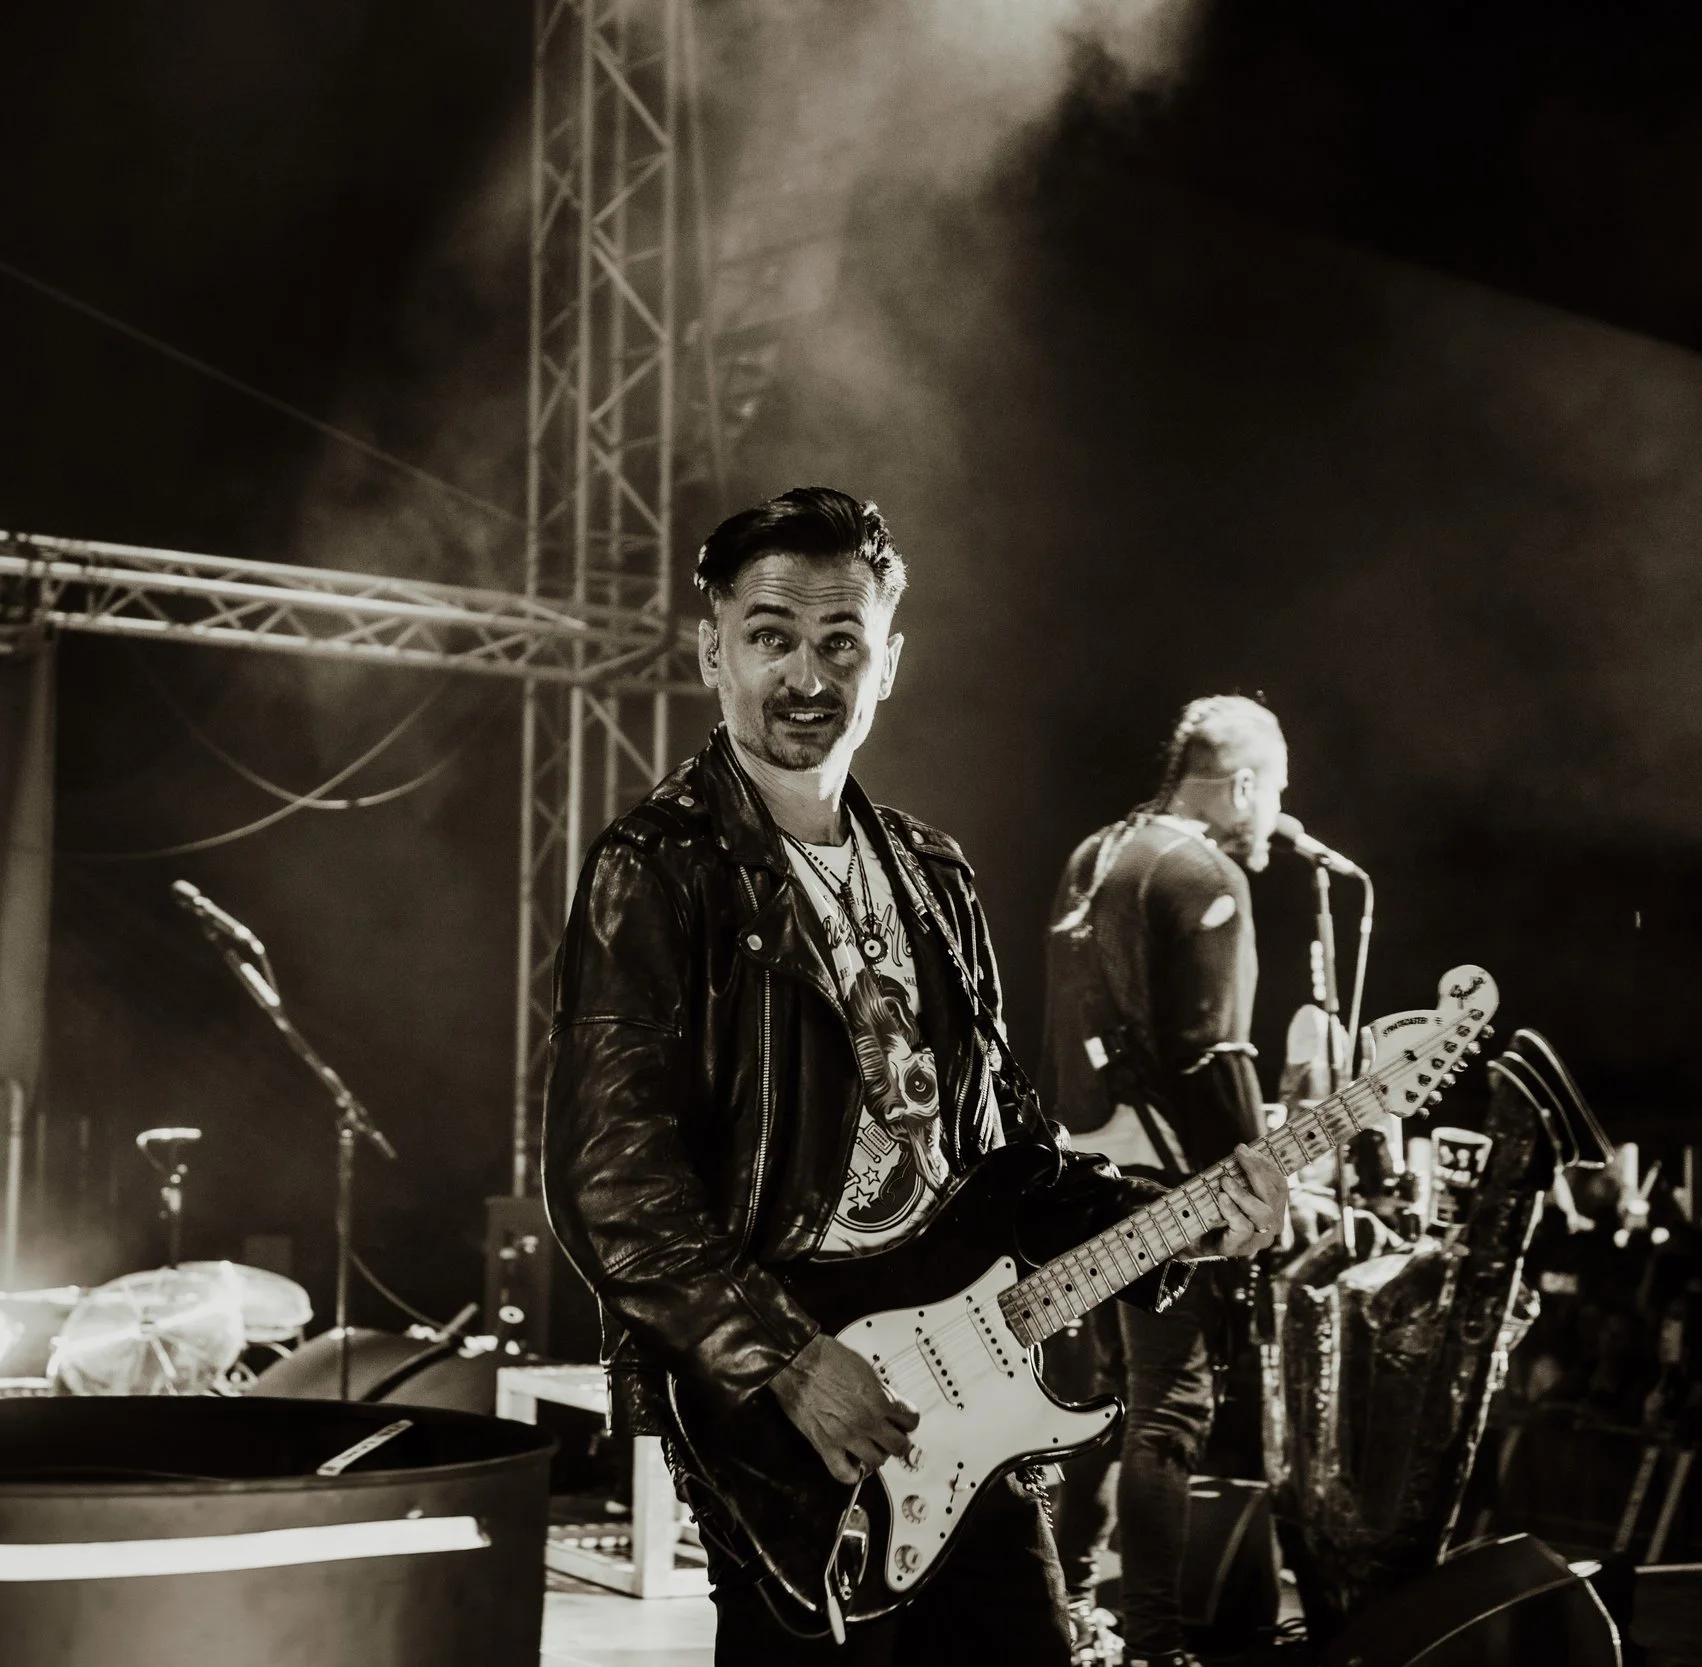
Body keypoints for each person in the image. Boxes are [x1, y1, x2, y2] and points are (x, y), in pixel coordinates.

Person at [542, 488, 1289, 1666]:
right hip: (792, 1405)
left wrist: (1188, 1218)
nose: (805, 674)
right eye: (769, 635)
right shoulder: (659, 868)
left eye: (840, 641)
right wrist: (785, 1357)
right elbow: (610, 1183)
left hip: (963, 1395)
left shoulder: (933, 877)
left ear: (887, 661)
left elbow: (1008, 1162)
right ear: (712, 651)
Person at [1038, 695, 1294, 1667]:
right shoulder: (1204, 869)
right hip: (1160, 1189)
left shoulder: (1096, 852)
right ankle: (1154, 1641)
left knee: (1101, 1407)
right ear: (1240, 784)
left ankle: (1063, 1620)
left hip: (1077, 1167)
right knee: (1169, 1410)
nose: (1273, 814)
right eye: (1273, 792)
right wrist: (1256, 1177)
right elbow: (1211, 1051)